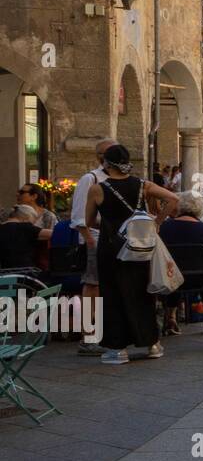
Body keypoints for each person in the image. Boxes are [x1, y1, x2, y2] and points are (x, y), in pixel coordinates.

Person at [85, 144, 178, 365]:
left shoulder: (98, 189)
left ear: (106, 163)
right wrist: (156, 222)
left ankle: (117, 349)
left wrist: (110, 224)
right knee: (141, 293)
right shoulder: (143, 186)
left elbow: (88, 221)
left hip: (112, 247)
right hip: (139, 245)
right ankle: (151, 343)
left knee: (113, 295)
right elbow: (173, 199)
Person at [70, 138, 114, 355]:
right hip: (95, 240)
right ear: (100, 157)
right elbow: (78, 217)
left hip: (113, 242)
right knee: (93, 286)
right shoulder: (90, 179)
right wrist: (90, 241)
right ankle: (88, 336)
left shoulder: (119, 179)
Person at [159, 192, 203, 337]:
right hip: (201, 280)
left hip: (172, 280)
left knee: (172, 271)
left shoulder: (164, 228)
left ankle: (171, 316)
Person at [0, 205, 52, 269]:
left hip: (5, 271)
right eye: (33, 221)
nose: (33, 224)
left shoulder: (1, 228)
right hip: (26, 271)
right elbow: (54, 234)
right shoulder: (26, 227)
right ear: (27, 217)